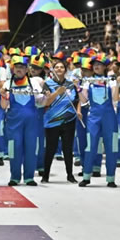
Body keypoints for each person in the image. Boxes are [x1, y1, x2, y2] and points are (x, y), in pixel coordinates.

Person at [78, 55, 120, 188]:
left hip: (109, 118)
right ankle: (86, 176)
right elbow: (84, 101)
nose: (96, 66)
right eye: (94, 64)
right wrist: (78, 88)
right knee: (90, 146)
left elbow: (115, 98)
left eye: (99, 64)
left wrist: (117, 84)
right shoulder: (87, 81)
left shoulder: (111, 81)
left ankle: (111, 178)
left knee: (111, 148)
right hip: (93, 118)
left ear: (105, 66)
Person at [1, 56, 43, 186]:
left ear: (26, 70)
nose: (19, 70)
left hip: (31, 122)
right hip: (13, 122)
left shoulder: (33, 83)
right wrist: (2, 95)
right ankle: (15, 176)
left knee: (31, 148)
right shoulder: (7, 84)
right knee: (14, 148)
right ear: (13, 69)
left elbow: (41, 101)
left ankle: (29, 177)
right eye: (17, 67)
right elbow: (3, 106)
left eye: (22, 67)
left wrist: (47, 96)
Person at [42, 55, 78, 183]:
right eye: (56, 67)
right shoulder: (47, 84)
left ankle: (70, 175)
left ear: (65, 70)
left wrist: (78, 111)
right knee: (50, 149)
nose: (59, 69)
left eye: (61, 67)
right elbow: (46, 102)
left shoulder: (70, 84)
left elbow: (76, 100)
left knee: (68, 149)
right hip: (52, 121)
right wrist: (57, 92)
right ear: (53, 70)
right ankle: (45, 175)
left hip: (69, 120)